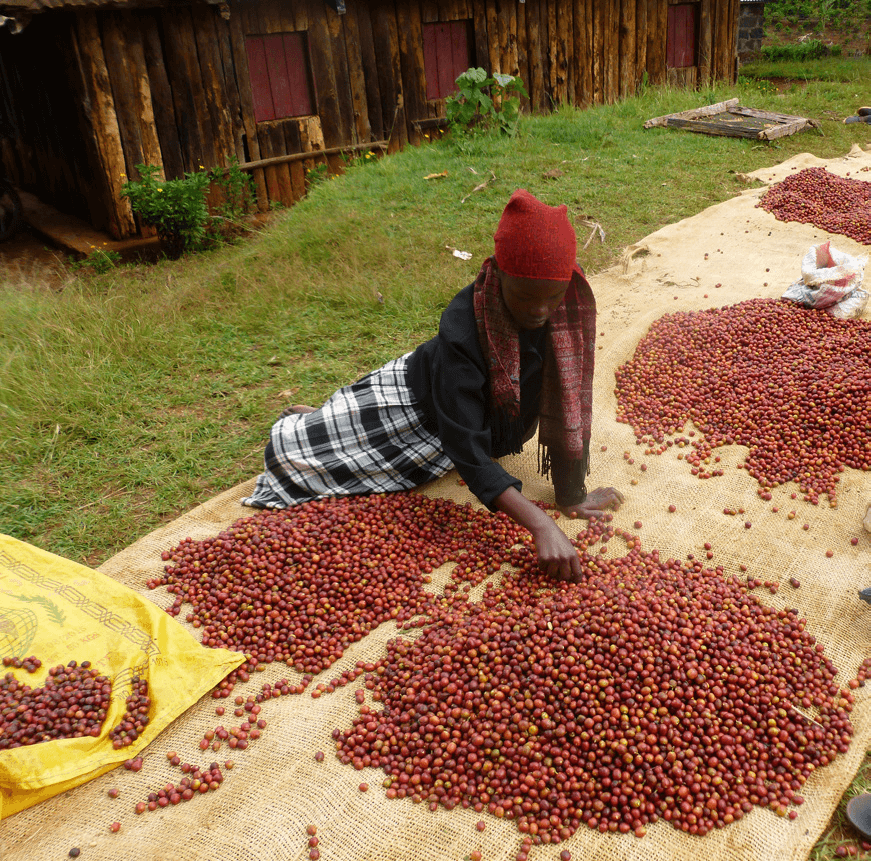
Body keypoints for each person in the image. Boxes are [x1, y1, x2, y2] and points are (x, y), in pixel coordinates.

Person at [243, 189, 623, 581]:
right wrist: (540, 524)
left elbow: (564, 401)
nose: (541, 310)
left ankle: (332, 415)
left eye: (553, 296)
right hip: (416, 406)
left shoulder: (568, 309)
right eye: (526, 297)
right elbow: (466, 448)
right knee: (296, 455)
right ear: (498, 274)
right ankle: (316, 419)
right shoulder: (463, 327)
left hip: (472, 417)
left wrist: (571, 495)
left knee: (401, 446)